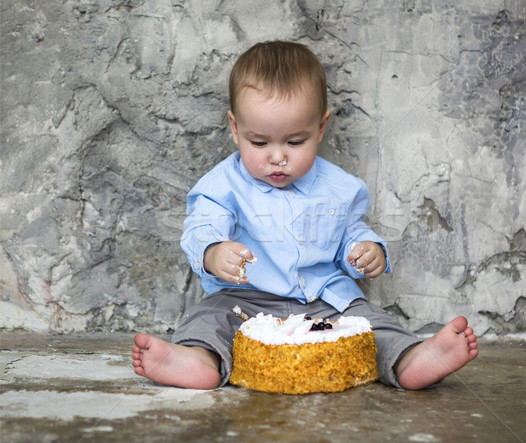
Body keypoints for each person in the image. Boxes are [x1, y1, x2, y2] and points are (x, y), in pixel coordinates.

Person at [132, 41, 478, 391]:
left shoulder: (340, 187)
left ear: (321, 128)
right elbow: (201, 226)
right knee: (207, 319)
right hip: (245, 299)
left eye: (295, 142)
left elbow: (349, 232)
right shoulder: (223, 186)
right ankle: (198, 360)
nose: (278, 157)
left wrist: (365, 250)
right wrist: (212, 251)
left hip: (325, 300)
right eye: (259, 142)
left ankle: (410, 358)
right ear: (235, 129)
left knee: (369, 324)